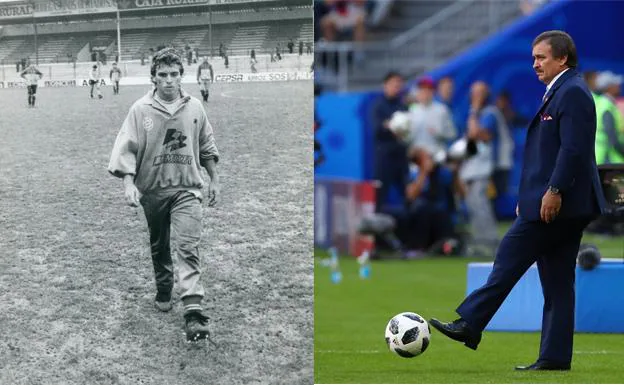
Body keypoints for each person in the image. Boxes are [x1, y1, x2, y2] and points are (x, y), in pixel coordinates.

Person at [429, 30, 606, 371]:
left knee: (509, 257)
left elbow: (573, 150)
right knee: (557, 284)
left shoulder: (573, 93)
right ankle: (554, 358)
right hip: (556, 202)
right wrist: (531, 195)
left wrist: (553, 191)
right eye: (533, 57)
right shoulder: (563, 90)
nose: (535, 64)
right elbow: (550, 152)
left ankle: (470, 324)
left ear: (562, 58)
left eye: (541, 57)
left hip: (559, 203)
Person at [108, 48, 221, 342]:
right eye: (163, 75)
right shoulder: (140, 109)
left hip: (187, 188)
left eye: (174, 75)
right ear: (153, 78)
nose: (169, 81)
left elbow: (207, 145)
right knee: (160, 245)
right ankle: (163, 286)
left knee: (187, 246)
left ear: (182, 76)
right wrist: (128, 184)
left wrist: (215, 180)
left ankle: (193, 312)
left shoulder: (195, 107)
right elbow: (126, 150)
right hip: (153, 190)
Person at [369, 71, 409, 212]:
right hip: (384, 158)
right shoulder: (378, 106)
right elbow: (377, 129)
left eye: (399, 85)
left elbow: (407, 130)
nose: (396, 87)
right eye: (393, 84)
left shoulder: (403, 106)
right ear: (385, 85)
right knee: (379, 195)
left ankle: (411, 228)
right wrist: (391, 126)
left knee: (407, 194)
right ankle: (376, 229)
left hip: (401, 157)